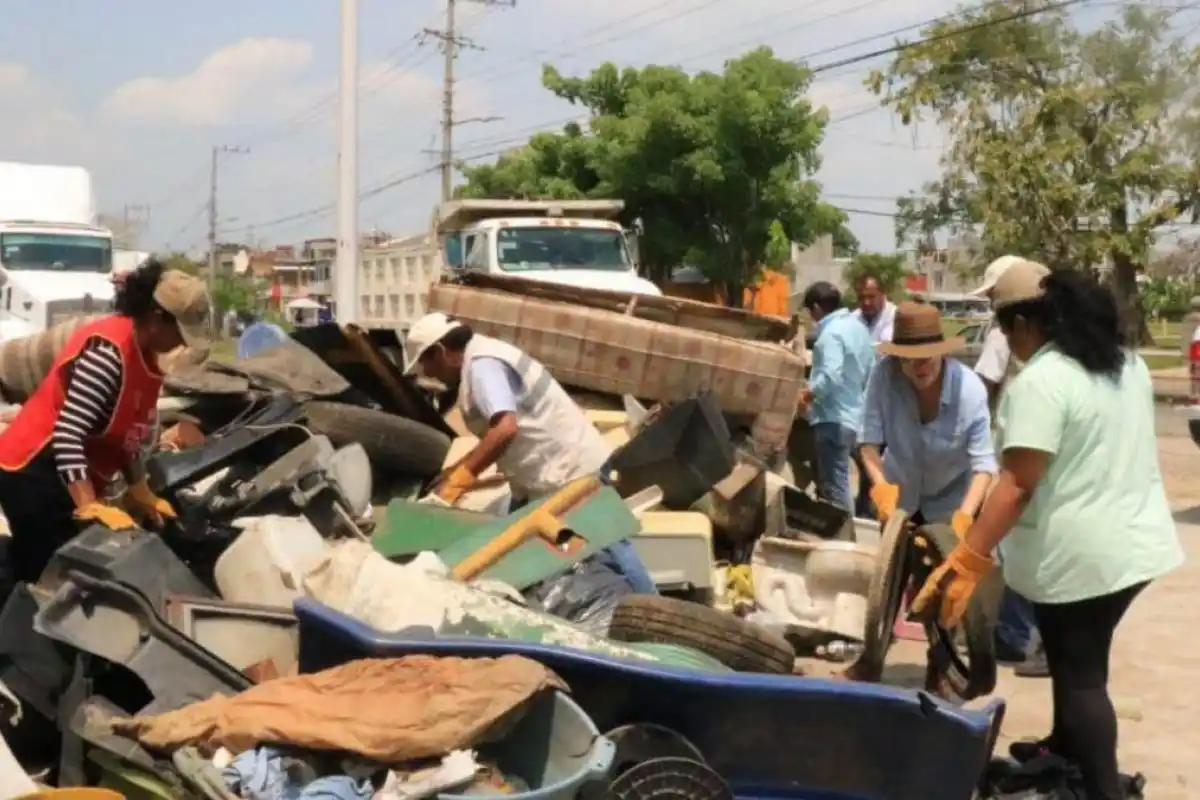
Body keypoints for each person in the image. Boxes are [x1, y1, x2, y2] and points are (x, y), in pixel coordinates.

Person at [912, 260, 1184, 800]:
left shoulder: (1042, 382)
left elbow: (1017, 485)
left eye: (1005, 328)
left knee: (1082, 678)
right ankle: (1062, 749)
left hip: (1082, 559)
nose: (1006, 341)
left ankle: (1102, 790)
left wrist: (969, 557)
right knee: (1068, 658)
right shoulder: (1126, 365)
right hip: (1135, 547)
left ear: (1026, 324)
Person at [403, 312, 655, 592]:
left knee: (607, 546)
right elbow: (500, 433)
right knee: (512, 544)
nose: (429, 375)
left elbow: (505, 429)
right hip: (548, 475)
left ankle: (657, 614)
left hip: (570, 473)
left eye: (427, 365)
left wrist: (461, 479)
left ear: (440, 351)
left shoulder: (482, 367)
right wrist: (455, 472)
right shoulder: (487, 354)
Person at [0, 259, 212, 585]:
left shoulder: (147, 362)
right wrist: (89, 506)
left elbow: (125, 434)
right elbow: (68, 434)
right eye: (180, 332)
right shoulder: (108, 354)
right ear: (156, 318)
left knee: (59, 564)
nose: (183, 343)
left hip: (66, 472)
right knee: (46, 571)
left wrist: (139, 488)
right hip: (32, 468)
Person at [970, 254, 1046, 677]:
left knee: (1010, 541)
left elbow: (983, 388)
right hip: (1033, 441)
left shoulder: (1007, 330)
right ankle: (1031, 633)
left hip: (1016, 441)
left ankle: (1016, 634)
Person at [858, 301, 996, 533]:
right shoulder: (884, 375)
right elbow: (868, 441)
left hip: (950, 505)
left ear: (942, 353)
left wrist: (964, 517)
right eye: (908, 359)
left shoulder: (969, 390)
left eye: (926, 358)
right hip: (899, 500)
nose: (918, 367)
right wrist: (882, 488)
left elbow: (983, 466)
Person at [799, 282, 875, 512]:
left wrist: (808, 395)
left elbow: (830, 375)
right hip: (857, 417)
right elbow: (869, 370)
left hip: (833, 419)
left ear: (816, 308)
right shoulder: (859, 329)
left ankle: (845, 539)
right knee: (855, 483)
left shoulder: (829, 335)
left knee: (835, 487)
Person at [850, 272, 897, 344]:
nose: (866, 302)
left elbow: (886, 347)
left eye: (871, 297)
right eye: (861, 298)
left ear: (883, 293)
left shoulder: (894, 315)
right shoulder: (853, 318)